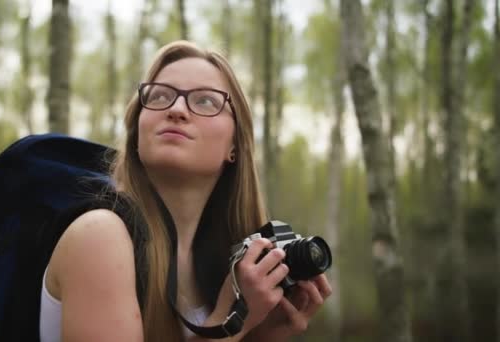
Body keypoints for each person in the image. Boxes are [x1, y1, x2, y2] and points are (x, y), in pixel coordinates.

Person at [39, 40, 332, 341]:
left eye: (205, 101)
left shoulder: (230, 267)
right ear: (137, 133)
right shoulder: (99, 236)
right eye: (160, 96)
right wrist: (234, 323)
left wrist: (264, 335)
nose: (177, 109)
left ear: (234, 146)